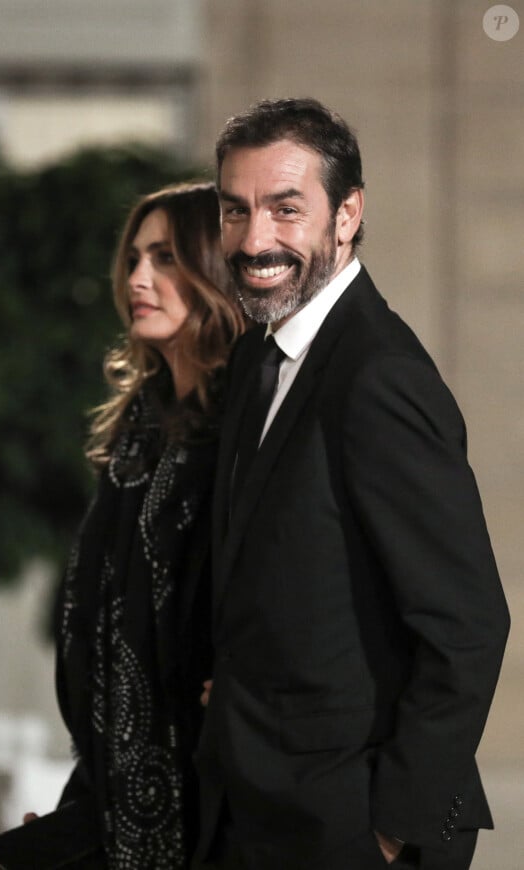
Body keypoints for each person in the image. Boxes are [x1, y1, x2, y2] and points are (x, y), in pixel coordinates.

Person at [193, 98, 510, 870]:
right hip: (254, 811)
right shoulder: (256, 361)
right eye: (236, 211)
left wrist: (390, 829)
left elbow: (467, 626)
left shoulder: (379, 376)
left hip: (346, 826)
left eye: (285, 209)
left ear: (347, 214)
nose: (254, 239)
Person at [53, 181, 245, 869]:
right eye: (134, 258)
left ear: (213, 269)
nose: (137, 278)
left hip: (223, 802)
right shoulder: (139, 428)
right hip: (112, 795)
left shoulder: (249, 425)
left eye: (164, 258)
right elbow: (101, 629)